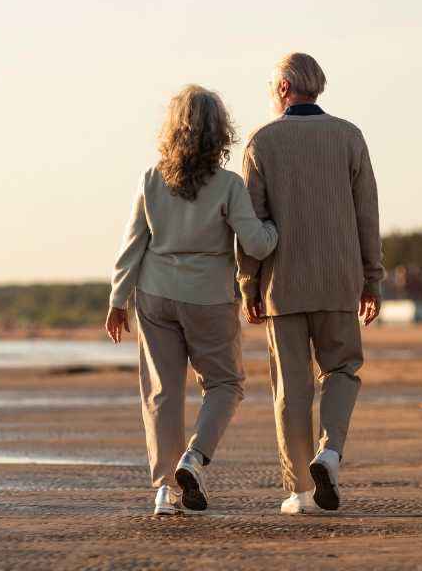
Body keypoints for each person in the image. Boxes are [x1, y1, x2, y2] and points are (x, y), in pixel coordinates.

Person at [106, 84, 278, 515]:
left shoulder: (151, 178)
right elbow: (257, 245)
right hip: (208, 299)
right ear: (220, 132)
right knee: (225, 384)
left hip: (155, 296)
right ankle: (194, 458)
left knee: (163, 394)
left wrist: (117, 300)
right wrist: (276, 227)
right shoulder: (228, 185)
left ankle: (165, 491)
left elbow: (132, 246)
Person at [236, 52, 384, 515]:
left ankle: (301, 492)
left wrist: (248, 287)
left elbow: (251, 224)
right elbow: (367, 215)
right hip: (339, 280)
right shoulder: (349, 136)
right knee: (342, 371)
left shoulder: (261, 142)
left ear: (283, 88)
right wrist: (372, 279)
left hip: (283, 287)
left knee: (292, 391)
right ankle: (330, 454)